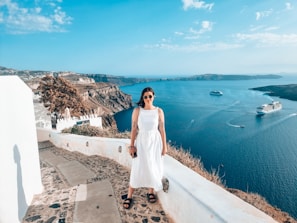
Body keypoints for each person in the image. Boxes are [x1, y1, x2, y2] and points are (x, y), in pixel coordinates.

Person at [123, 87, 167, 209]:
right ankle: (129, 195)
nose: (148, 99)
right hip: (141, 141)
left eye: (150, 96)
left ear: (154, 96)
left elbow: (162, 129)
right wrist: (132, 145)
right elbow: (133, 128)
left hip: (155, 142)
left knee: (152, 165)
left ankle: (150, 191)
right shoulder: (138, 110)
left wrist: (165, 146)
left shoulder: (159, 111)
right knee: (137, 166)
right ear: (143, 98)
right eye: (145, 97)